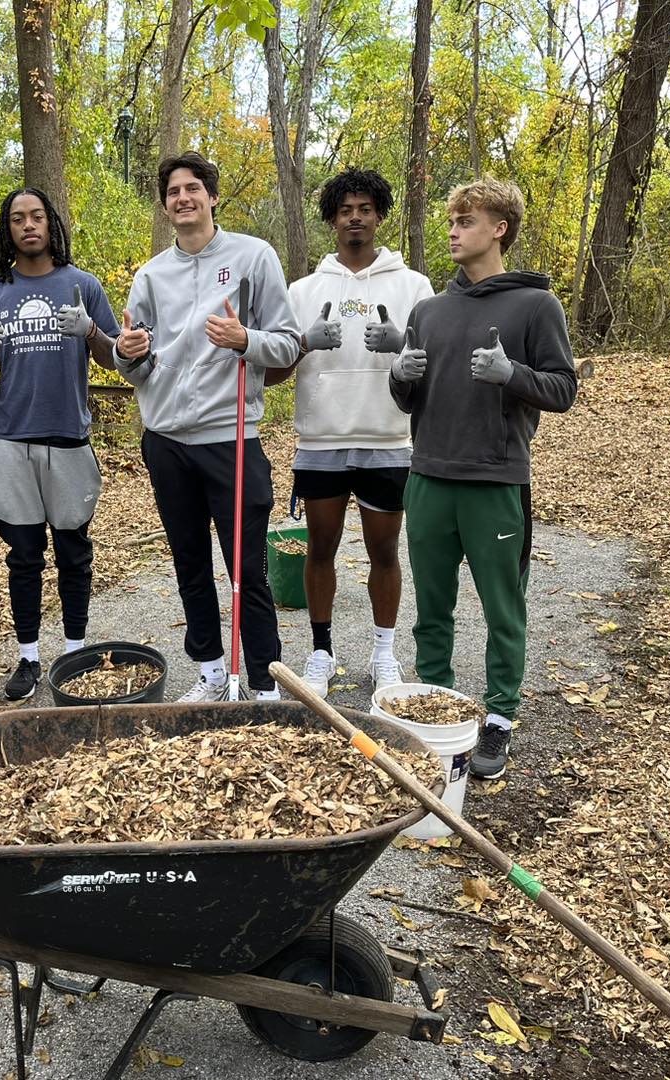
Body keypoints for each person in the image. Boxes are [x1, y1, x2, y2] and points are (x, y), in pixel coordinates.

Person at [388, 176, 577, 779]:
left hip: (495, 481)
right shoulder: (429, 311)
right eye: (451, 221)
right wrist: (401, 373)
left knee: (503, 608)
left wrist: (511, 373)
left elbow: (563, 389)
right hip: (428, 477)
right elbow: (406, 401)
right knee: (432, 607)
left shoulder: (536, 306)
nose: (452, 230)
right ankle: (433, 708)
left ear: (499, 229)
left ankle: (498, 718)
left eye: (466, 221)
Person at [115, 152, 299, 701]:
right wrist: (127, 353)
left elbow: (288, 341)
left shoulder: (253, 257)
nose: (183, 198)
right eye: (173, 191)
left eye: (193, 188)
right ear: (165, 204)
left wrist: (247, 341)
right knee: (189, 558)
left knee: (246, 562)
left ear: (213, 197)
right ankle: (212, 670)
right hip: (167, 437)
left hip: (232, 436)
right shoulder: (151, 275)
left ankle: (264, 678)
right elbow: (137, 365)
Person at [269, 168, 433, 697]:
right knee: (321, 548)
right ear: (332, 219)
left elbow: (432, 362)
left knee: (386, 553)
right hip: (321, 439)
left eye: (365, 208)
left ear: (380, 214)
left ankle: (384, 655)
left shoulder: (413, 285)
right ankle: (321, 653)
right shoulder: (303, 289)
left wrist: (402, 342)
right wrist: (303, 340)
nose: (355, 217)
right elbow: (276, 366)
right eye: (345, 210)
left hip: (389, 437)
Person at [0, 187, 120, 700]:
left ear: (51, 225)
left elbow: (113, 358)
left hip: (70, 438)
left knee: (74, 552)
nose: (28, 225)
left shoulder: (83, 285)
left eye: (36, 216)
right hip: (12, 439)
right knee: (24, 554)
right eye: (17, 218)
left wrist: (91, 329)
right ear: (7, 230)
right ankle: (29, 657)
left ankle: (75, 651)